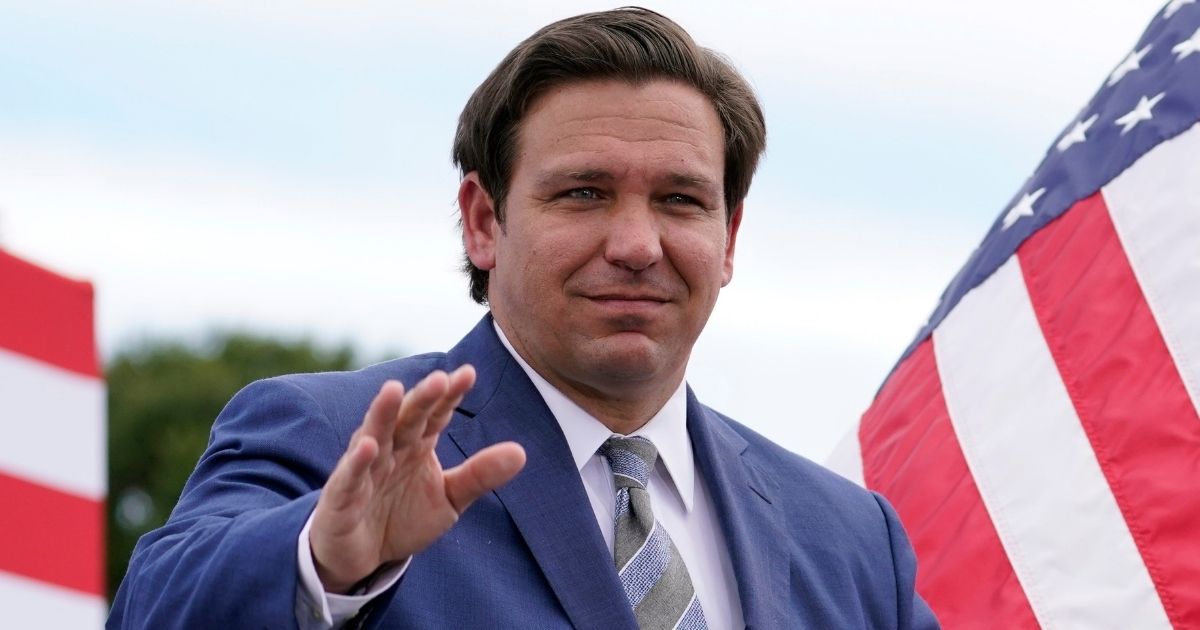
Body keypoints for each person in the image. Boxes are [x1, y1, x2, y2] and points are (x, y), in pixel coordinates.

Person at [109, 8, 939, 630]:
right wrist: (323, 564)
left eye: (681, 200)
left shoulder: (851, 541)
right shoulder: (337, 441)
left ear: (730, 237)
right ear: (483, 221)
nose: (636, 244)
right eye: (584, 193)